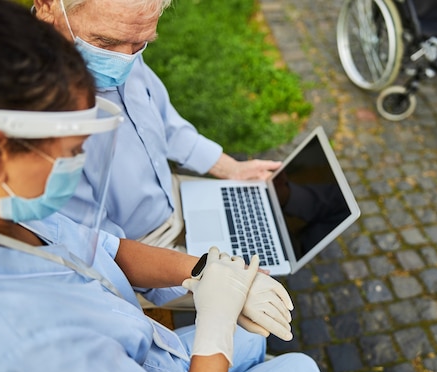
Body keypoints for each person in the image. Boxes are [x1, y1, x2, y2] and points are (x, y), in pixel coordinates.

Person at [0, 1, 335, 372]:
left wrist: (206, 272)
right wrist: (213, 330)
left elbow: (100, 245)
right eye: (71, 151)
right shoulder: (32, 351)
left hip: (150, 349)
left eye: (139, 44)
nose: (125, 59)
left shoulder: (1, 205)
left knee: (255, 335)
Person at [33, 0, 284, 251]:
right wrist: (194, 273)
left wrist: (231, 169)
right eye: (105, 43)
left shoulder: (119, 39)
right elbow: (99, 248)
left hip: (173, 196)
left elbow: (163, 120)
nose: (124, 60)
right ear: (47, 6)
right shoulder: (27, 109)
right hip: (139, 248)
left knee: (286, 208)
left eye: (140, 44)